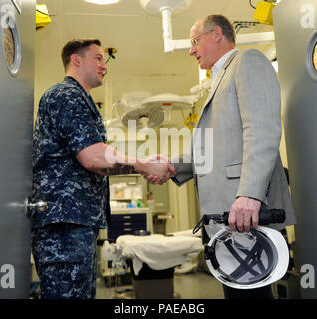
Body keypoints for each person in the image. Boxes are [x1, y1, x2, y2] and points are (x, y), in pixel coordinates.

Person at [156, 15, 297, 299]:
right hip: (226, 216)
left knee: (250, 296)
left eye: (195, 41)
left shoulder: (247, 62)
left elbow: (262, 130)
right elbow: (213, 150)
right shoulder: (220, 78)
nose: (191, 50)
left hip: (243, 211)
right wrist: (173, 166)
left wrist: (249, 194)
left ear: (217, 34)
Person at [31, 38, 172, 299]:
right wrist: (144, 165)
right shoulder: (65, 95)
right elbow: (93, 157)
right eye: (98, 58)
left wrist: (144, 166)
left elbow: (100, 164)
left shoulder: (80, 100)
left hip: (75, 224)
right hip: (64, 226)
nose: (104, 66)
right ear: (76, 59)